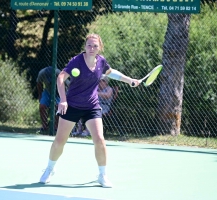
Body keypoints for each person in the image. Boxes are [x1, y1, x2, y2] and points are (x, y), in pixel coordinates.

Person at [39, 33, 140, 188]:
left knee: (99, 140)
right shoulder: (76, 61)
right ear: (85, 47)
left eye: (95, 46)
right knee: (60, 141)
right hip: (72, 105)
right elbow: (60, 78)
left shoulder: (101, 62)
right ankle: (49, 169)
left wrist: (130, 80)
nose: (92, 48)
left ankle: (102, 175)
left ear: (100, 47)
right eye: (89, 45)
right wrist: (64, 100)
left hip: (91, 106)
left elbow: (111, 72)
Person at [36, 66, 69, 134]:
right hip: (47, 91)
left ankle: (56, 126)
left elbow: (68, 84)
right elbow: (39, 83)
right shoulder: (42, 73)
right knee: (42, 106)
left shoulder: (58, 73)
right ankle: (44, 126)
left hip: (58, 92)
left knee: (58, 106)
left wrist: (64, 96)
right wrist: (40, 95)